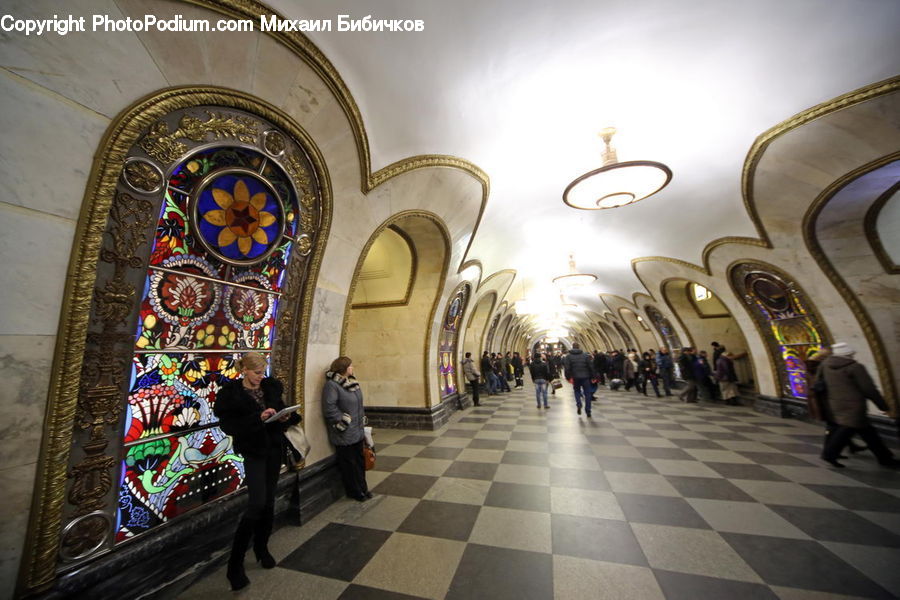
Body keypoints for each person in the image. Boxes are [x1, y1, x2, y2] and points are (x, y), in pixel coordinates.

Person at [214, 352, 299, 591]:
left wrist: (285, 417)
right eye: (256, 373)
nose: (261, 377)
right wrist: (257, 418)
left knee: (269, 501)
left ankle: (262, 548)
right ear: (244, 370)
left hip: (274, 448)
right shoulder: (231, 395)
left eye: (263, 372)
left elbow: (280, 412)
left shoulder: (271, 387)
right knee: (256, 503)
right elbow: (228, 426)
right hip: (253, 451)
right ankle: (235, 565)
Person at [816, 343, 898, 468]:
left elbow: (819, 382)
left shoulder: (825, 365)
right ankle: (829, 454)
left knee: (867, 432)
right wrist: (883, 405)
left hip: (835, 403)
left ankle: (885, 457)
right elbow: (868, 388)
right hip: (854, 405)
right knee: (847, 430)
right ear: (849, 354)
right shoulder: (855, 367)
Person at [322, 356, 372, 500]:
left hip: (357, 429)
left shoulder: (352, 382)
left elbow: (358, 403)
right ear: (343, 368)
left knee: (360, 461)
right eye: (350, 366)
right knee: (349, 464)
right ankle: (354, 491)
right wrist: (344, 420)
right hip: (344, 431)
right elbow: (329, 408)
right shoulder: (332, 385)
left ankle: (363, 488)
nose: (352, 368)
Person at [563, 343, 597, 417]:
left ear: (572, 347)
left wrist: (568, 377)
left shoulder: (568, 357)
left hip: (575, 377)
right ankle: (588, 411)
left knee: (577, 391)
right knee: (587, 393)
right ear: (579, 347)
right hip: (586, 377)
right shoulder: (585, 356)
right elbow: (591, 367)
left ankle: (579, 404)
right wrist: (594, 377)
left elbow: (567, 368)